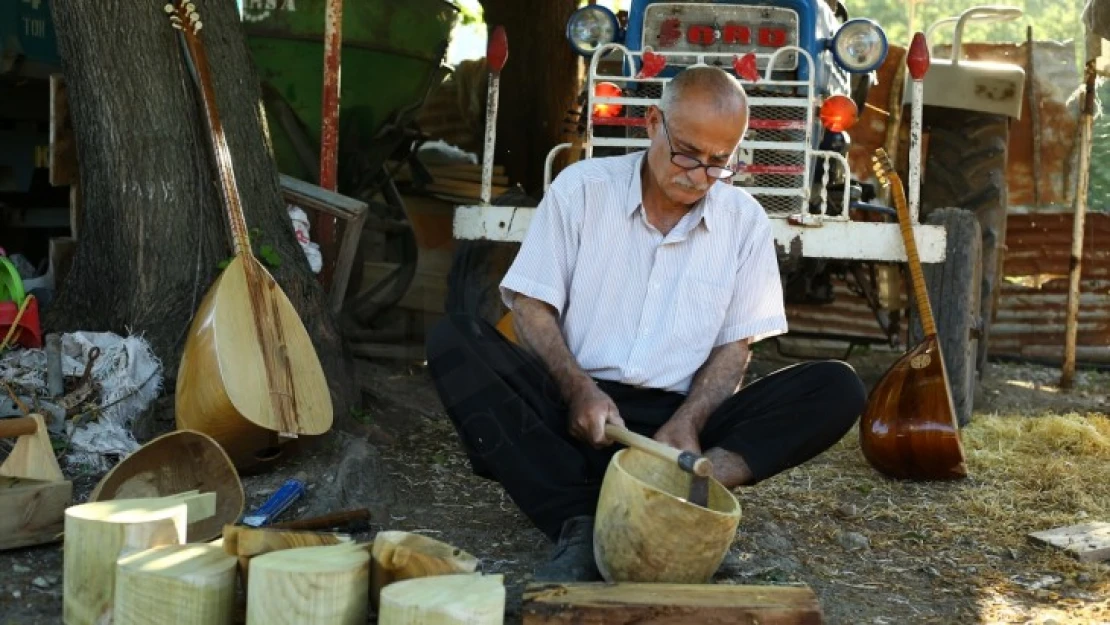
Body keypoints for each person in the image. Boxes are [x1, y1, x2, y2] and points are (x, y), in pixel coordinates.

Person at [426, 65, 867, 582]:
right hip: (573, 414)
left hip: (673, 430)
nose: (698, 174)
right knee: (455, 340)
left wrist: (691, 422)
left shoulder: (744, 221)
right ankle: (581, 518)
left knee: (836, 387)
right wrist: (577, 390)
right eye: (686, 153)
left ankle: (685, 492)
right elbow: (531, 306)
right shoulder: (582, 189)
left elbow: (734, 348)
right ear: (653, 123)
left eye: (718, 162)